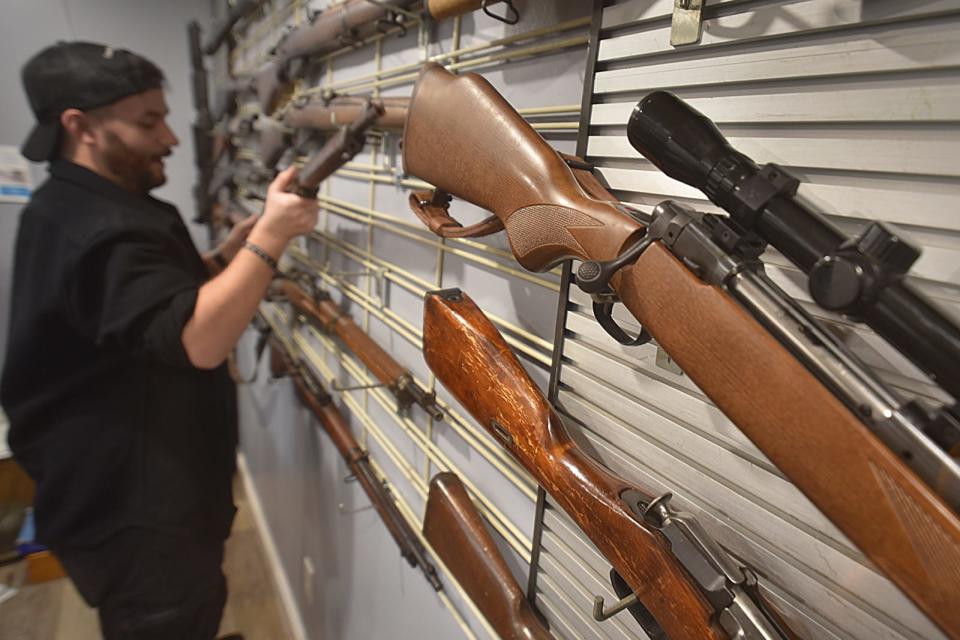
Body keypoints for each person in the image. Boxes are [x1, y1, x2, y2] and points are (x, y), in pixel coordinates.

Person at [0, 41, 317, 639]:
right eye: (148, 121)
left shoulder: (70, 204)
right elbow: (198, 339)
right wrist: (270, 240)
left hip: (119, 486)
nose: (170, 138)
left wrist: (227, 256)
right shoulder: (102, 226)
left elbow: (133, 306)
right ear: (80, 126)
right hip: (137, 511)